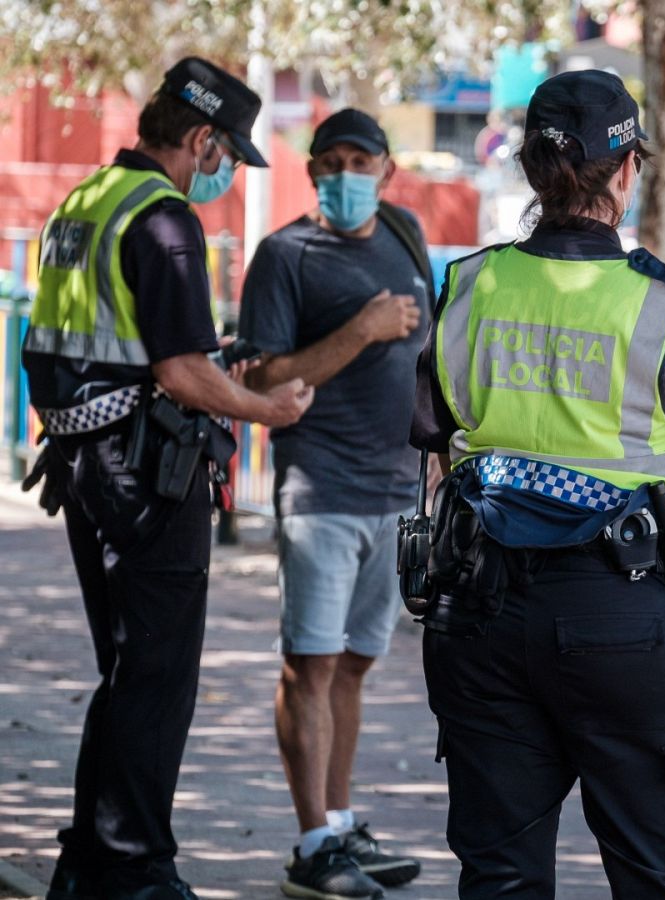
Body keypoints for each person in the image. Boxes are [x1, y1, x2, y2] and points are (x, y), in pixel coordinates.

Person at [410, 69, 665, 898]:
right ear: (629, 170)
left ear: (529, 170)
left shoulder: (468, 287)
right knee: (661, 879)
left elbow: (434, 454)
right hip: (627, 611)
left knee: (500, 876)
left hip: (479, 612)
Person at [21, 58, 313, 900]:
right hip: (147, 472)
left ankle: (90, 863)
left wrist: (206, 365)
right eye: (226, 155)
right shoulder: (165, 218)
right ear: (200, 139)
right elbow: (181, 372)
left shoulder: (84, 203)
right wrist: (266, 409)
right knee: (157, 675)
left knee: (126, 670)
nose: (225, 172)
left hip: (86, 466)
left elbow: (104, 345)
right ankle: (136, 869)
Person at [238, 108, 428, 898]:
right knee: (309, 665)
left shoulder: (405, 230)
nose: (346, 174)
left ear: (386, 169)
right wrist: (363, 328)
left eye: (362, 160)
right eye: (331, 160)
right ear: (313, 170)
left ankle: (343, 826)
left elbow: (427, 354)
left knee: (354, 665)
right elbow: (259, 380)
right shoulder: (285, 254)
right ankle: (312, 842)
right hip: (321, 488)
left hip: (394, 488)